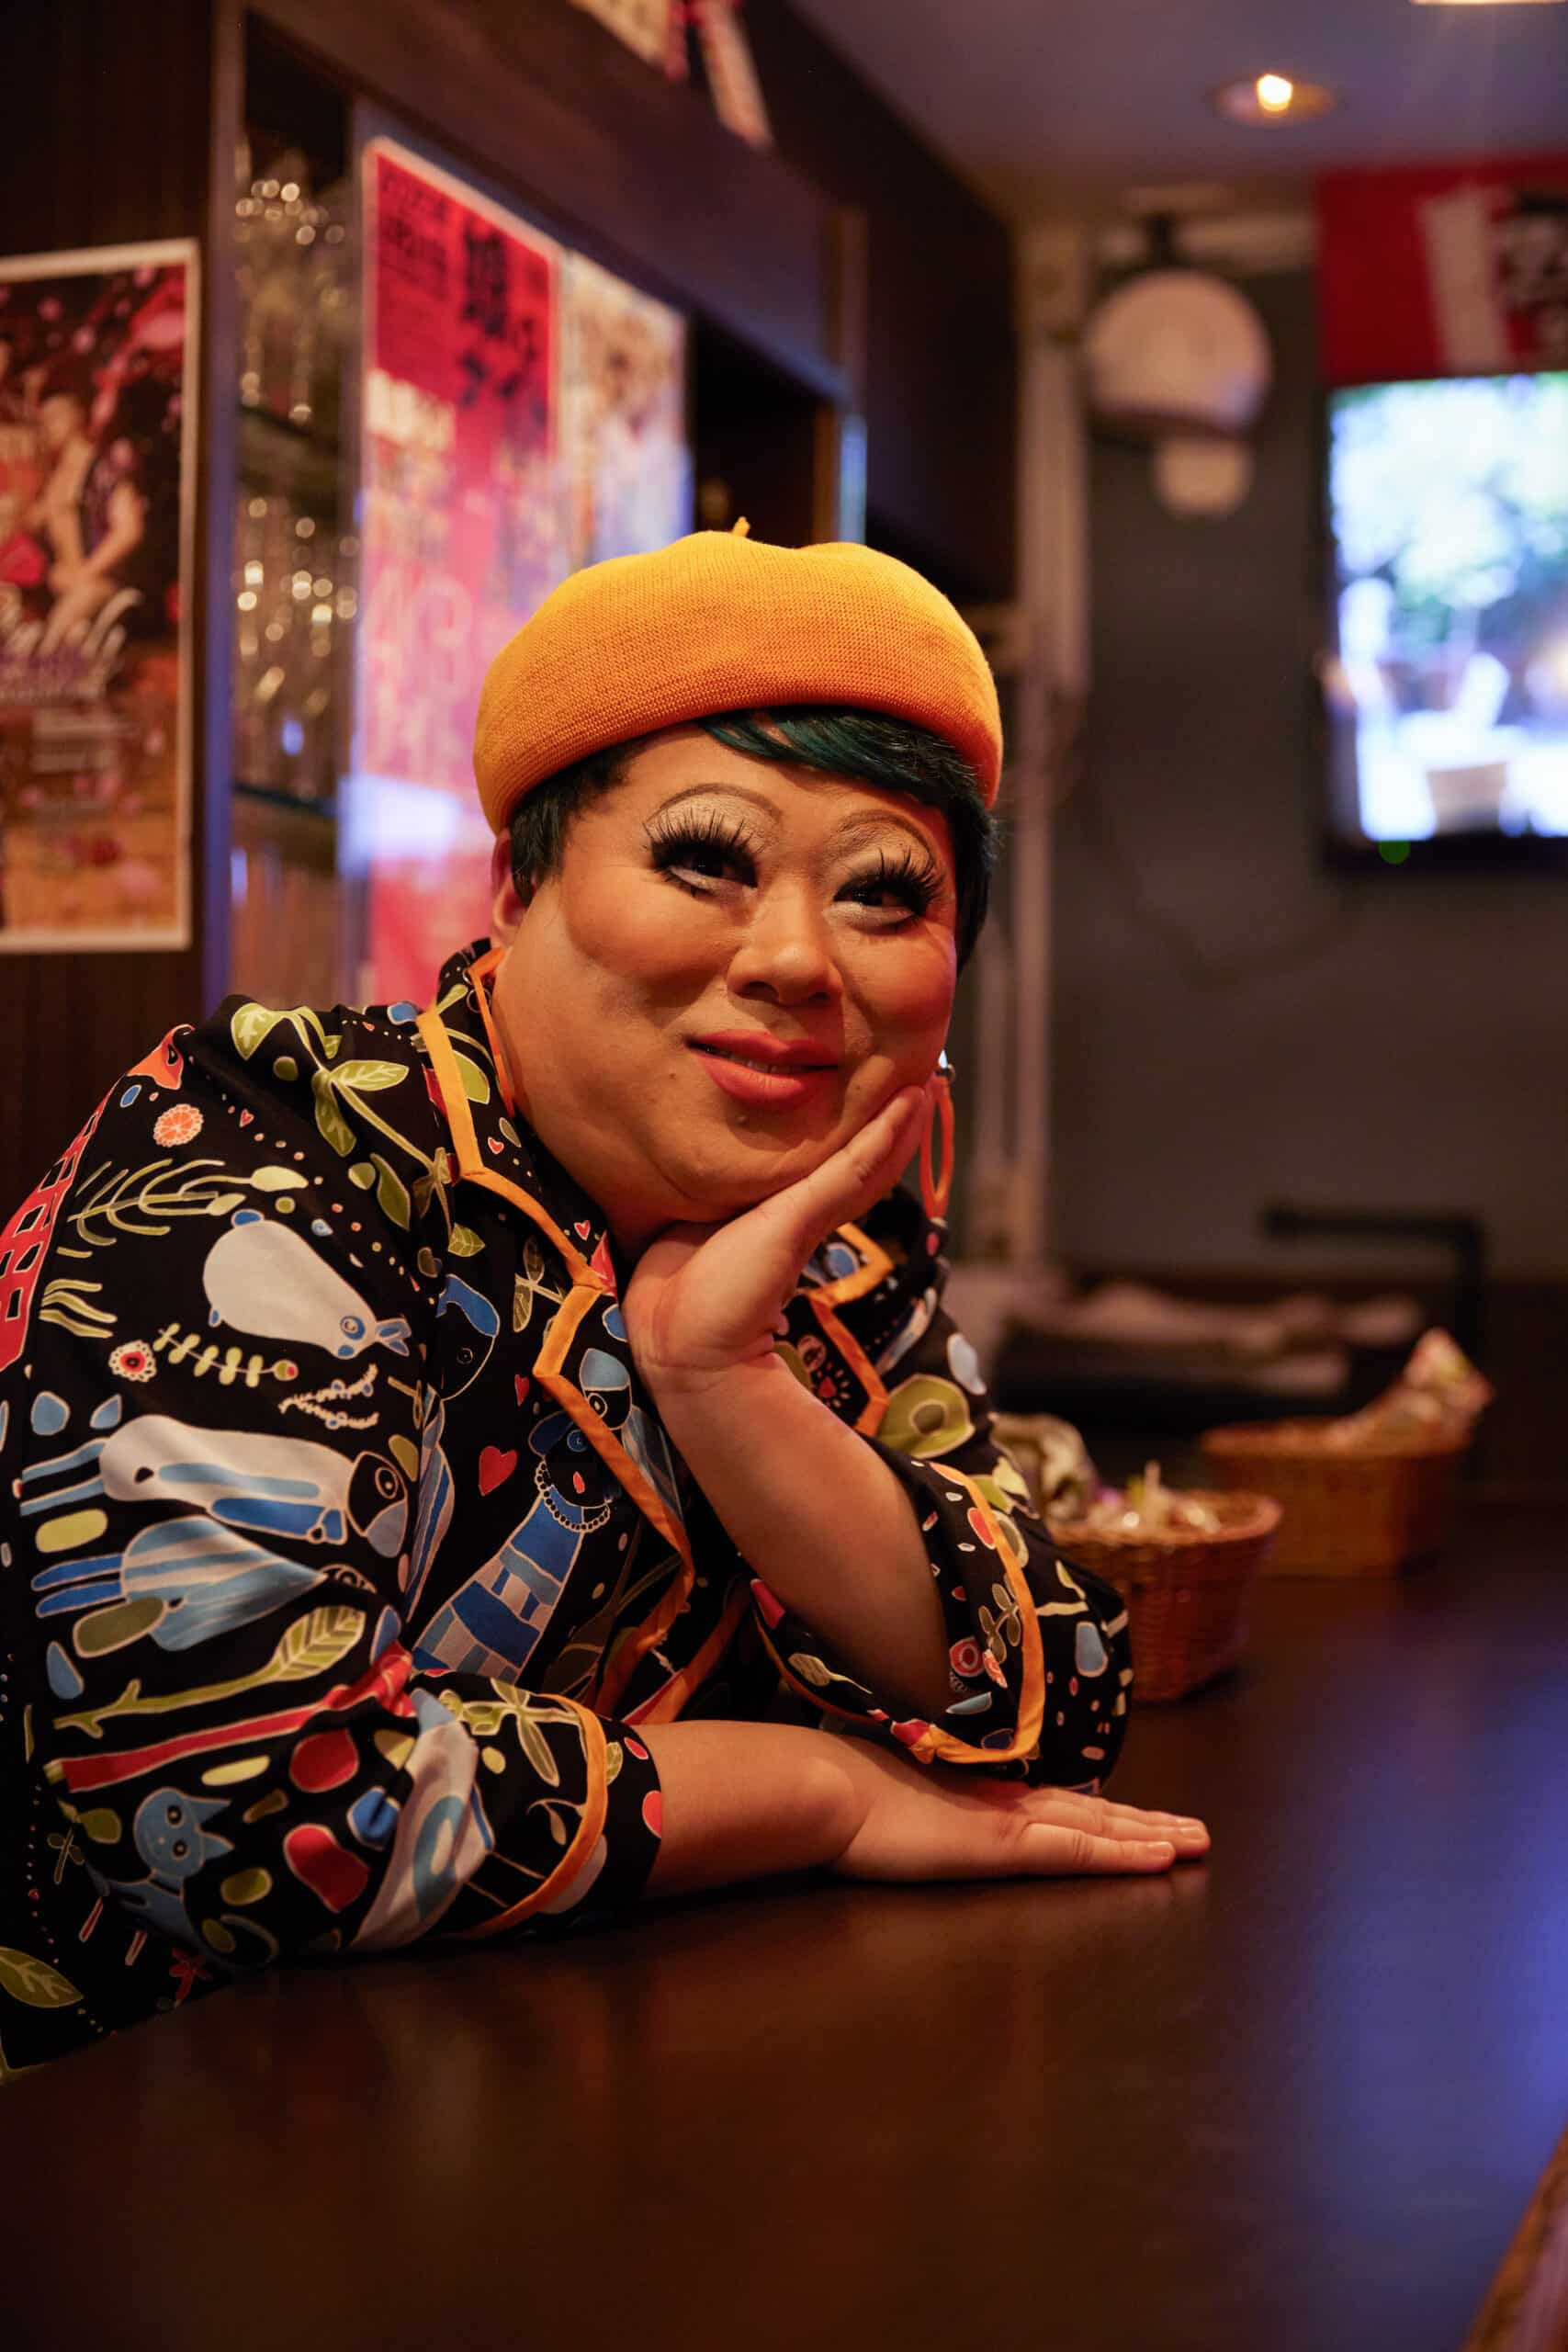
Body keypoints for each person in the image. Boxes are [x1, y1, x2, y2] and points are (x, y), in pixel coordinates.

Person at [0, 528, 1208, 2077]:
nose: (795, 960)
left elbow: (1048, 1691)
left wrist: (722, 1374)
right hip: (120, 2115)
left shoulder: (834, 1239)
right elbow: (249, 1816)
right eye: (705, 860)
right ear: (518, 886)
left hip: (573, 2087)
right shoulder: (260, 1166)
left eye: (884, 893)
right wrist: (824, 1796)